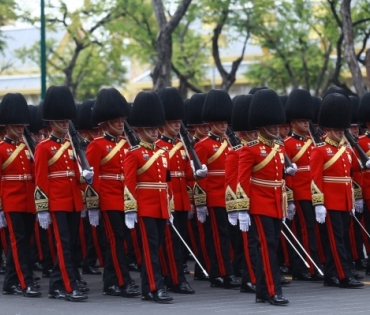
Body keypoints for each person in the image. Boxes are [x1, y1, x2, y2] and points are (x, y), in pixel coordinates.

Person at [34, 85, 92, 301]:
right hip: (56, 203)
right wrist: (43, 208)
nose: (65, 125)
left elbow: (74, 174)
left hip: (74, 201)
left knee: (71, 245)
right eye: (61, 122)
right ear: (51, 124)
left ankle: (56, 285)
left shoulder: (72, 145)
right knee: (64, 245)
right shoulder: (43, 147)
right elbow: (41, 179)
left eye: (67, 121)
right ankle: (68, 287)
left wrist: (85, 177)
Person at [237, 89, 293, 305]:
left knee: (272, 246)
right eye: (271, 126)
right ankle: (273, 290)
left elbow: (279, 179)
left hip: (276, 202)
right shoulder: (250, 150)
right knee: (267, 246)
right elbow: (242, 181)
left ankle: (262, 290)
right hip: (259, 204)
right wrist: (242, 208)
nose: (276, 129)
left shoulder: (279, 148)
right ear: (262, 127)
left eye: (276, 126)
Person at [85, 88, 139, 297]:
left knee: (122, 240)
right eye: (116, 120)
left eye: (122, 120)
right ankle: (122, 280)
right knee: (115, 240)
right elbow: (93, 177)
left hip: (126, 198)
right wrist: (94, 205)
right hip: (107, 199)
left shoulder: (128, 144)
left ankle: (111, 281)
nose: (120, 123)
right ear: (105, 122)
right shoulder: (96, 145)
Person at [311, 92, 365, 288]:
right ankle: (344, 275)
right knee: (336, 241)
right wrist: (319, 203)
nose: (341, 132)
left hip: (345, 202)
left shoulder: (346, 149)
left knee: (341, 238)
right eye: (337, 129)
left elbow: (350, 174)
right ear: (327, 129)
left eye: (342, 129)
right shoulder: (319, 150)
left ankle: (332, 274)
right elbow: (315, 179)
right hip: (330, 203)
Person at [124, 91, 173, 303]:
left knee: (157, 247)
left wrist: (169, 208)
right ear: (140, 130)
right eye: (151, 129)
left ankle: (148, 288)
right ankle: (156, 287)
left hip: (161, 206)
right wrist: (130, 209)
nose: (155, 132)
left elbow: (167, 182)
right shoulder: (133, 154)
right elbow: (129, 184)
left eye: (156, 128)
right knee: (150, 249)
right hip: (144, 207)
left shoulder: (163, 153)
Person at [157, 87, 206, 294]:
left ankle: (175, 276)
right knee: (169, 242)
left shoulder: (183, 145)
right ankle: (173, 278)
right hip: (167, 198)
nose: (177, 126)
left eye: (178, 122)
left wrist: (198, 173)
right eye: (173, 123)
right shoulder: (158, 145)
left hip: (182, 199)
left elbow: (186, 173)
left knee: (180, 240)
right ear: (164, 124)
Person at [194, 89, 240, 288]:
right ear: (211, 124)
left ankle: (230, 270)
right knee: (218, 238)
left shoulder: (230, 143)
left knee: (230, 236)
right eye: (219, 123)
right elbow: (199, 177)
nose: (223, 126)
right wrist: (201, 202)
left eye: (225, 123)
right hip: (214, 197)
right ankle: (219, 273)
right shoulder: (203, 145)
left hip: (230, 197)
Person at [0, 93, 41, 297]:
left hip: (28, 202)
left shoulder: (28, 148)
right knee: (17, 243)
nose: (20, 129)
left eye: (21, 125)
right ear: (6, 126)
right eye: (16, 126)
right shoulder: (1, 149)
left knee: (25, 242)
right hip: (11, 201)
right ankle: (25, 282)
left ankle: (10, 282)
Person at [284, 89, 323, 281]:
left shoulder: (314, 142)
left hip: (314, 192)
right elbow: (286, 174)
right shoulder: (288, 144)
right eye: (301, 121)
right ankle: (304, 266)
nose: (306, 124)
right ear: (293, 123)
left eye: (307, 121)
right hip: (299, 193)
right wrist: (290, 198)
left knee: (313, 229)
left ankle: (313, 263)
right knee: (303, 231)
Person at [225, 94, 258, 294]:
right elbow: (232, 181)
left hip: (261, 201)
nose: (254, 135)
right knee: (247, 243)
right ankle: (248, 278)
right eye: (251, 132)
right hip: (245, 203)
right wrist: (236, 208)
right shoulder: (235, 151)